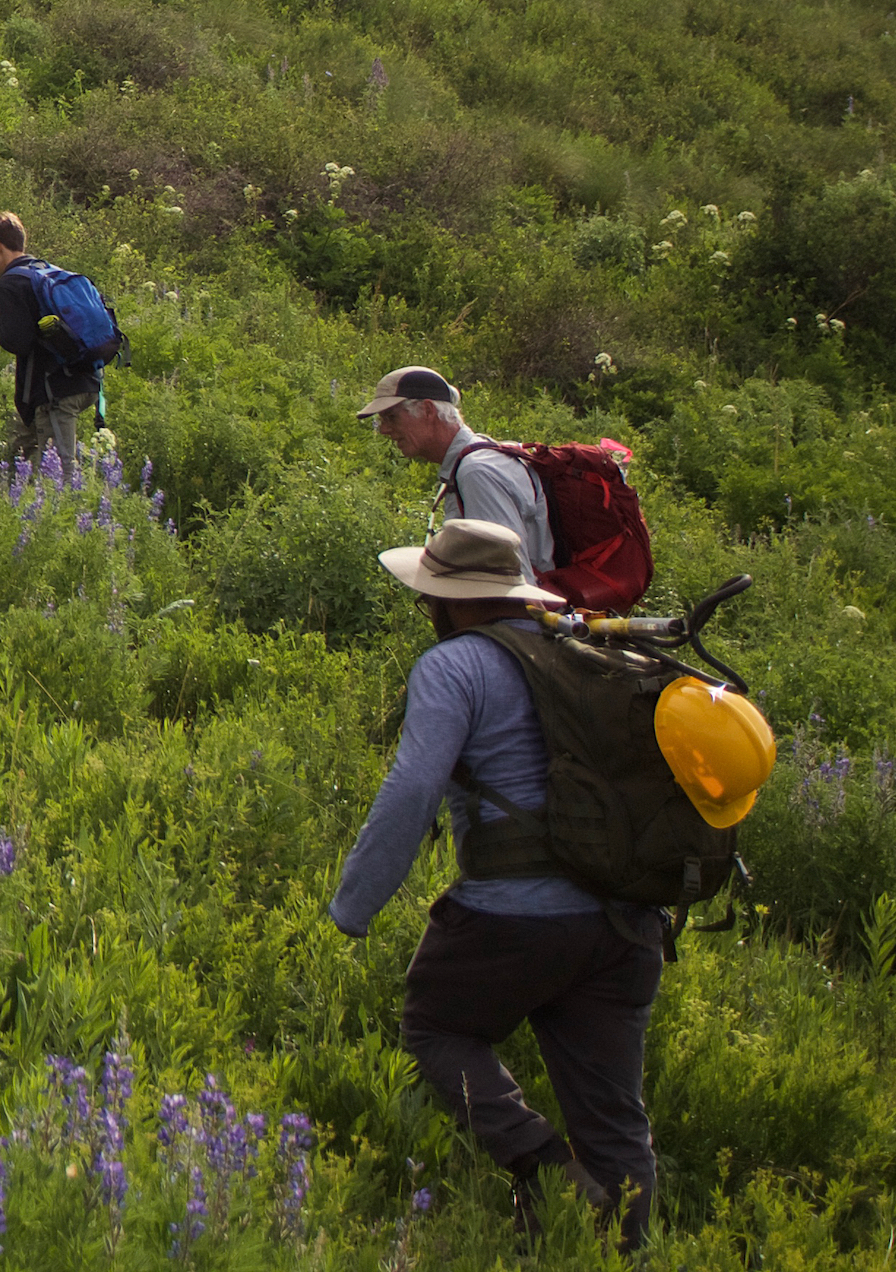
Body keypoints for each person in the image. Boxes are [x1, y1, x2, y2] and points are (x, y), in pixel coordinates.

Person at [330, 515, 663, 1246]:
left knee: (436, 1026)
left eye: (430, 596)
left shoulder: (454, 666)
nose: (425, 609)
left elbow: (411, 789)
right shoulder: (585, 649)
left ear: (455, 600)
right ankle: (620, 1255)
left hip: (511, 921)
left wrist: (353, 904)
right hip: (624, 922)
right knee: (613, 1119)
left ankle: (544, 1167)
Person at [357, 365, 553, 576]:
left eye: (391, 417)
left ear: (428, 410)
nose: (384, 430)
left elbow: (508, 576)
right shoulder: (477, 456)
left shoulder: (476, 472)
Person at [0, 211, 104, 479]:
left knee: (58, 473)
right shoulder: (48, 271)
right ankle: (8, 498)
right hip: (87, 379)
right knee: (20, 449)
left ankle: (65, 515)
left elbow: (18, 341)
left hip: (54, 390)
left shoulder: (11, 283)